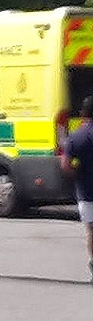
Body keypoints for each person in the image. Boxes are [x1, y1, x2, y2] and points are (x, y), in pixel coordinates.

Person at [60, 95, 93, 282]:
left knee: (91, 230)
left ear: (83, 114)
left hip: (86, 192)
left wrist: (76, 175)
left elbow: (65, 165)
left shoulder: (76, 137)